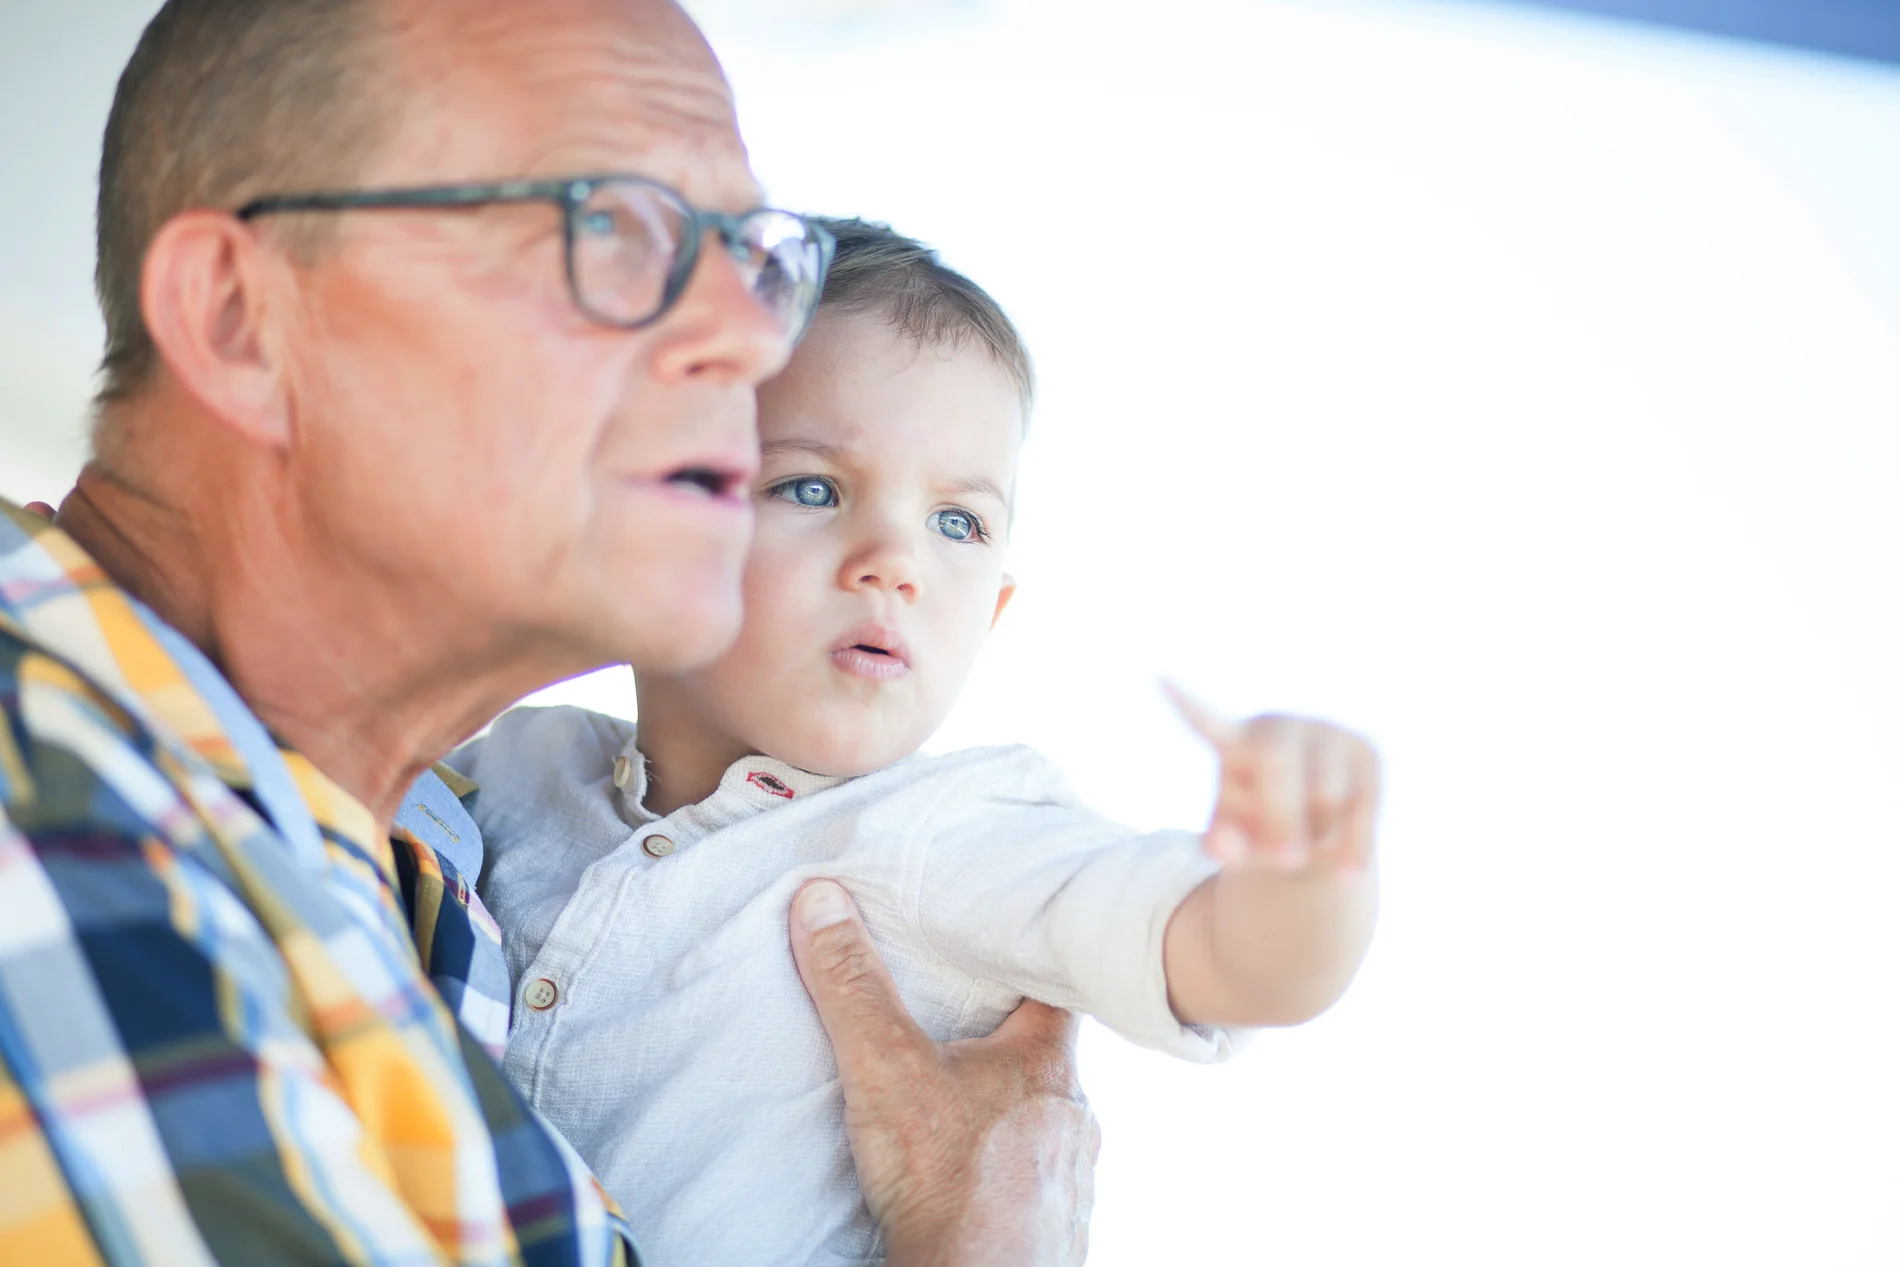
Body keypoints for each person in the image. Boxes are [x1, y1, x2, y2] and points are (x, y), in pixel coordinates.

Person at [0, 2, 1097, 1264]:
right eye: (617, 231)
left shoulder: (433, 860)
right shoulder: (47, 819)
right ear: (246, 318)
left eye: (754, 260)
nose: (752, 335)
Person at [454, 219, 1382, 1264]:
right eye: (811, 487)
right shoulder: (511, 764)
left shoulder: (951, 831)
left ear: (988, 613)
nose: (895, 560)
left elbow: (1224, 961)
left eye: (958, 523)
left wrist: (1299, 877)